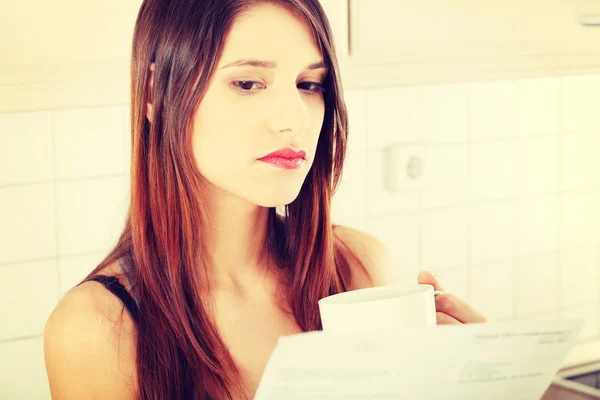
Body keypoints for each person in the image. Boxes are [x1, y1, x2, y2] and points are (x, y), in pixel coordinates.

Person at [43, 0, 487, 399]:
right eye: (249, 83)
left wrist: (465, 384)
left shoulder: (355, 267)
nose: (293, 118)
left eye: (310, 85)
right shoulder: (96, 329)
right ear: (157, 94)